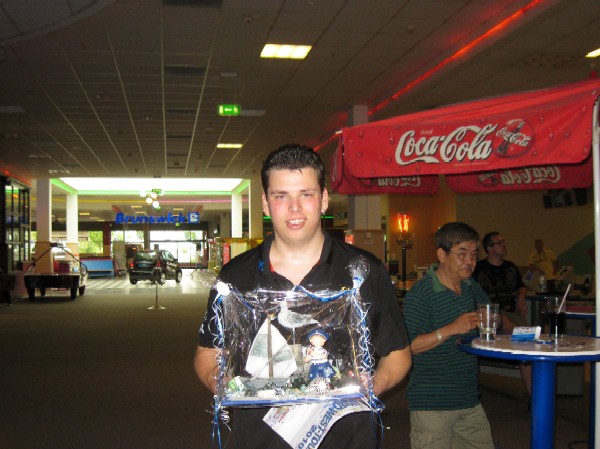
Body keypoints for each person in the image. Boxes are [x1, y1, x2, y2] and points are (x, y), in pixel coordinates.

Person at [194, 144, 412, 449]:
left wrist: (370, 385)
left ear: (324, 200)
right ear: (265, 204)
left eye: (306, 194)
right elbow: (207, 353)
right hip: (259, 440)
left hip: (346, 438)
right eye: (281, 196)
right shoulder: (235, 277)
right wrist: (223, 384)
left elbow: (398, 354)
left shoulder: (363, 272)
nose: (294, 208)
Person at [402, 222, 495, 449]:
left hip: (469, 398)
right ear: (442, 255)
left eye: (474, 255)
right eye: (462, 254)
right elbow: (408, 347)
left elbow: (491, 313)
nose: (470, 261)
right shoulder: (421, 294)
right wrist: (452, 328)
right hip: (432, 403)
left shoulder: (470, 286)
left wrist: (491, 320)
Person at [472, 231, 531, 397]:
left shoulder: (510, 266)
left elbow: (521, 286)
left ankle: (535, 398)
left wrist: (521, 296)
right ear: (489, 248)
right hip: (488, 313)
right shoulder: (478, 268)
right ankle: (520, 335)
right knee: (508, 323)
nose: (504, 245)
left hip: (510, 311)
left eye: (504, 241)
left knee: (529, 347)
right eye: (499, 243)